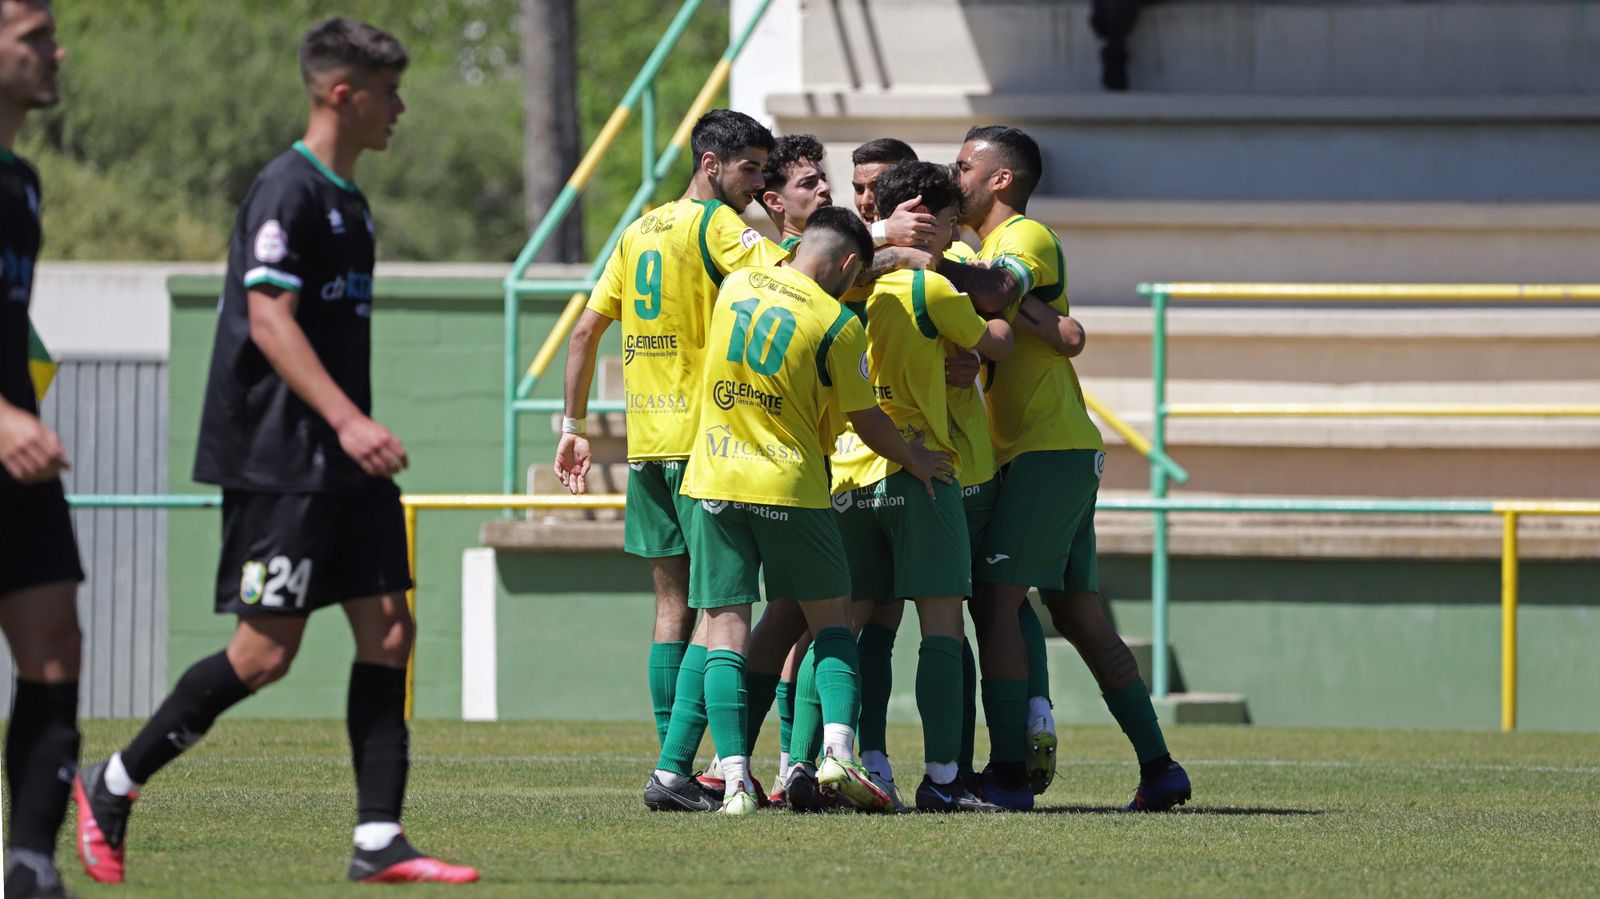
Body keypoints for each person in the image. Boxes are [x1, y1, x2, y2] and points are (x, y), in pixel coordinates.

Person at [73, 19, 479, 885]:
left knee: (391, 630)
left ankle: (379, 839)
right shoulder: (285, 191)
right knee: (264, 654)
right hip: (282, 460)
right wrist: (349, 421)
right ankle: (110, 782)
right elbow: (268, 318)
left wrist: (350, 434)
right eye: (388, 92)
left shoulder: (352, 202)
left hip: (342, 462)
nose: (400, 108)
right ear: (344, 94)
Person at [664, 206, 952, 815]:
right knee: (833, 620)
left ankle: (734, 779)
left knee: (725, 630)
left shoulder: (738, 283)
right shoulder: (835, 322)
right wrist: (917, 460)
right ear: (850, 266)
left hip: (711, 475)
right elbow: (868, 420)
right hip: (788, 486)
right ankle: (837, 754)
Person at [555, 108, 789, 811]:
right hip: (705, 443)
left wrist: (571, 426)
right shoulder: (715, 226)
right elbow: (796, 277)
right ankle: (675, 766)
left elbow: (585, 332)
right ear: (711, 165)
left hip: (646, 444)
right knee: (724, 608)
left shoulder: (638, 229)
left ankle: (673, 764)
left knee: (670, 606)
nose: (758, 182)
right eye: (750, 168)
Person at [954, 124, 1189, 811]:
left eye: (965, 164)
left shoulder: (1021, 237)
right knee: (1080, 615)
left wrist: (930, 261)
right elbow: (1052, 330)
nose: (952, 174)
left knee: (993, 600)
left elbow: (1000, 290)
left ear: (1002, 179)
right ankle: (1160, 767)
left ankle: (1006, 775)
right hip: (1054, 448)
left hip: (1045, 452)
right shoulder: (982, 248)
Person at [827, 160, 1013, 812]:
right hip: (918, 468)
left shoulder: (847, 288)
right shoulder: (930, 291)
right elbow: (997, 340)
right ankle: (942, 778)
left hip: (848, 471)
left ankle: (858, 759)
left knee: (856, 627)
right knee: (942, 625)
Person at [0, 3, 83, 896]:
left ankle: (28, 866)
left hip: (20, 458)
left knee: (56, 648)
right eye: (32, 37)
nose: (54, 53)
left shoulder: (20, 184)